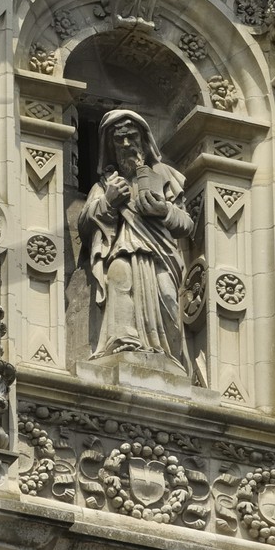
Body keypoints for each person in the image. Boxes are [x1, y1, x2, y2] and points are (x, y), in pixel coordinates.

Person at [78, 109, 192, 370]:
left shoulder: (166, 178)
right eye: (120, 139)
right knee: (119, 281)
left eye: (132, 137)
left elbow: (186, 224)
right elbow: (84, 223)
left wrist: (163, 210)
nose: (127, 144)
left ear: (144, 140)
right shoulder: (106, 184)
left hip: (161, 254)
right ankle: (124, 345)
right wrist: (109, 201)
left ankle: (168, 357)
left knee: (167, 295)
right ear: (111, 145)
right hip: (121, 248)